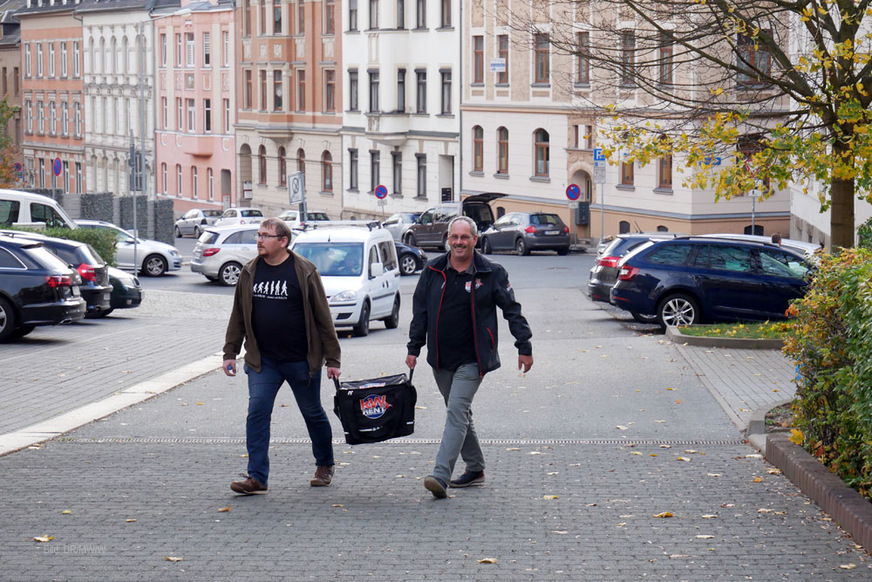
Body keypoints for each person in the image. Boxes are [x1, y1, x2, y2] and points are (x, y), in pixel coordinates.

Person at [406, 216, 533, 499]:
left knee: (456, 411)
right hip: (440, 359)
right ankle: (475, 469)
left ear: (475, 240)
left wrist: (524, 345)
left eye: (465, 237)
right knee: (459, 413)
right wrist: (414, 348)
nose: (459, 242)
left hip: (474, 358)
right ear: (448, 239)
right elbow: (420, 311)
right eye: (455, 237)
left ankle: (440, 475)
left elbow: (512, 309)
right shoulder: (433, 270)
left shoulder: (491, 272)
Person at [223, 217, 341, 495]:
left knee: (312, 413)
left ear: (283, 241)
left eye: (266, 235)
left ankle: (325, 464)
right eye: (259, 234)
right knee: (257, 412)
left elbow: (323, 317)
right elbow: (238, 314)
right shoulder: (250, 271)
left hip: (301, 360)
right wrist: (230, 351)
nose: (259, 240)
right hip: (263, 361)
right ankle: (257, 478)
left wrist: (333, 360)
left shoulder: (304, 271)